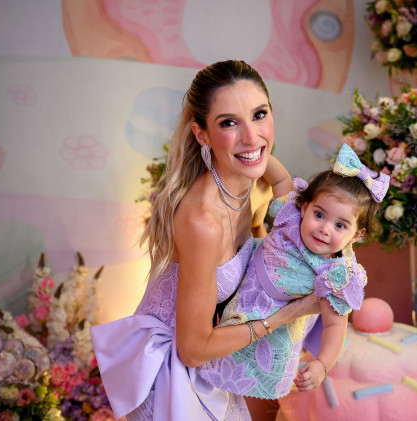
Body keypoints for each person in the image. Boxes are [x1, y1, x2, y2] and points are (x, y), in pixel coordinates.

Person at [90, 60, 321, 421]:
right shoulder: (202, 221)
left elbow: (284, 202)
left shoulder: (250, 178)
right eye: (229, 122)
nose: (251, 136)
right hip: (173, 376)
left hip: (214, 364)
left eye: (259, 115)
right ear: (202, 135)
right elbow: (193, 350)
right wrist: (288, 315)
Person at [197, 144, 390, 399]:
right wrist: (253, 153)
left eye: (340, 225)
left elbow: (335, 326)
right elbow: (279, 178)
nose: (324, 229)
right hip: (236, 290)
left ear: (356, 235)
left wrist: (322, 365)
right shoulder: (291, 217)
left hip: (271, 330)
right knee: (200, 376)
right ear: (305, 207)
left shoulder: (336, 274)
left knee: (241, 391)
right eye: (319, 215)